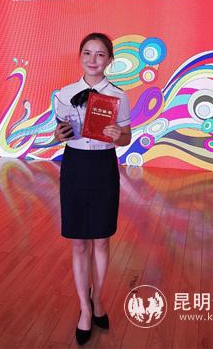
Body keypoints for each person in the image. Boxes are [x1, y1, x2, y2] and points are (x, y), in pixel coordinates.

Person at [54, 32, 131, 345]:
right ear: (80, 56)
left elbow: (126, 137)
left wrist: (118, 135)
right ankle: (85, 310)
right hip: (75, 167)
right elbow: (59, 132)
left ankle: (98, 298)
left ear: (110, 60)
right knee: (78, 243)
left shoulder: (119, 96)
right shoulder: (64, 93)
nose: (93, 60)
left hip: (103, 167)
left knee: (101, 240)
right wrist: (58, 135)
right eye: (87, 53)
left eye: (100, 54)